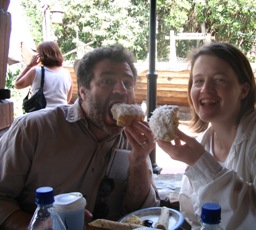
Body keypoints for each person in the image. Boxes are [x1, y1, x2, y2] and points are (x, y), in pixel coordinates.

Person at [0, 44, 160, 229]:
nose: (121, 90)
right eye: (107, 81)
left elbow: (143, 212)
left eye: (128, 83)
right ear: (83, 91)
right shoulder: (33, 129)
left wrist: (139, 161)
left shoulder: (134, 140)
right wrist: (36, 227)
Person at [156, 42, 256, 229]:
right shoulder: (203, 142)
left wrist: (200, 162)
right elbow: (193, 217)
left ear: (243, 90)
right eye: (198, 81)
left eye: (219, 80)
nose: (205, 89)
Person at [14, 41, 73, 108]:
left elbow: (17, 85)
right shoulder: (66, 73)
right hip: (61, 114)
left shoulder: (36, 71)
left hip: (40, 115)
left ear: (40, 56)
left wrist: (30, 66)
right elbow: (67, 99)